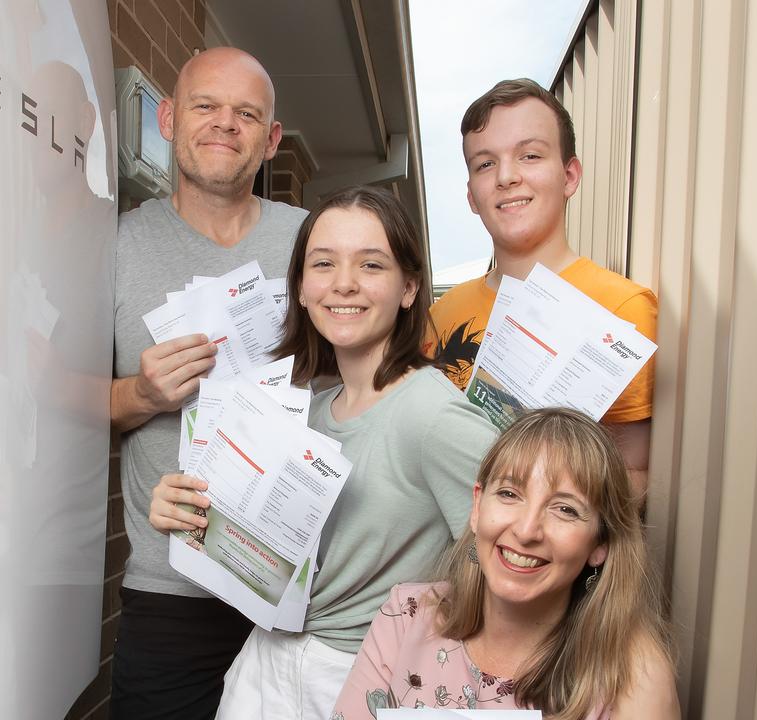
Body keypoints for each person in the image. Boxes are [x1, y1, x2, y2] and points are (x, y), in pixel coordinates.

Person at [148, 185, 498, 719]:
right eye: (324, 263)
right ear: (302, 289)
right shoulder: (308, 410)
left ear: (409, 288)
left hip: (362, 675)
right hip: (265, 663)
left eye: (371, 265)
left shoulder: (433, 416)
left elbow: (519, 559)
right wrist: (185, 514)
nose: (344, 284)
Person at [109, 47, 307, 720]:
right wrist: (141, 395)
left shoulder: (316, 243)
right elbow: (57, 405)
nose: (225, 124)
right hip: (172, 590)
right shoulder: (111, 248)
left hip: (304, 586)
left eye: (247, 114)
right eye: (205, 106)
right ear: (167, 118)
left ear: (271, 138)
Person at [330, 407, 680, 719]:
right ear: (478, 507)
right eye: (510, 494)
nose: (527, 531)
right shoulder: (406, 616)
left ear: (600, 544)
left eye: (565, 509)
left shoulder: (632, 675)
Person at [426, 79, 657, 499]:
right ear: (471, 196)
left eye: (529, 155)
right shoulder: (443, 312)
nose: (507, 177)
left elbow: (634, 476)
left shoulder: (622, 308)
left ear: (569, 176)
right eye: (485, 164)